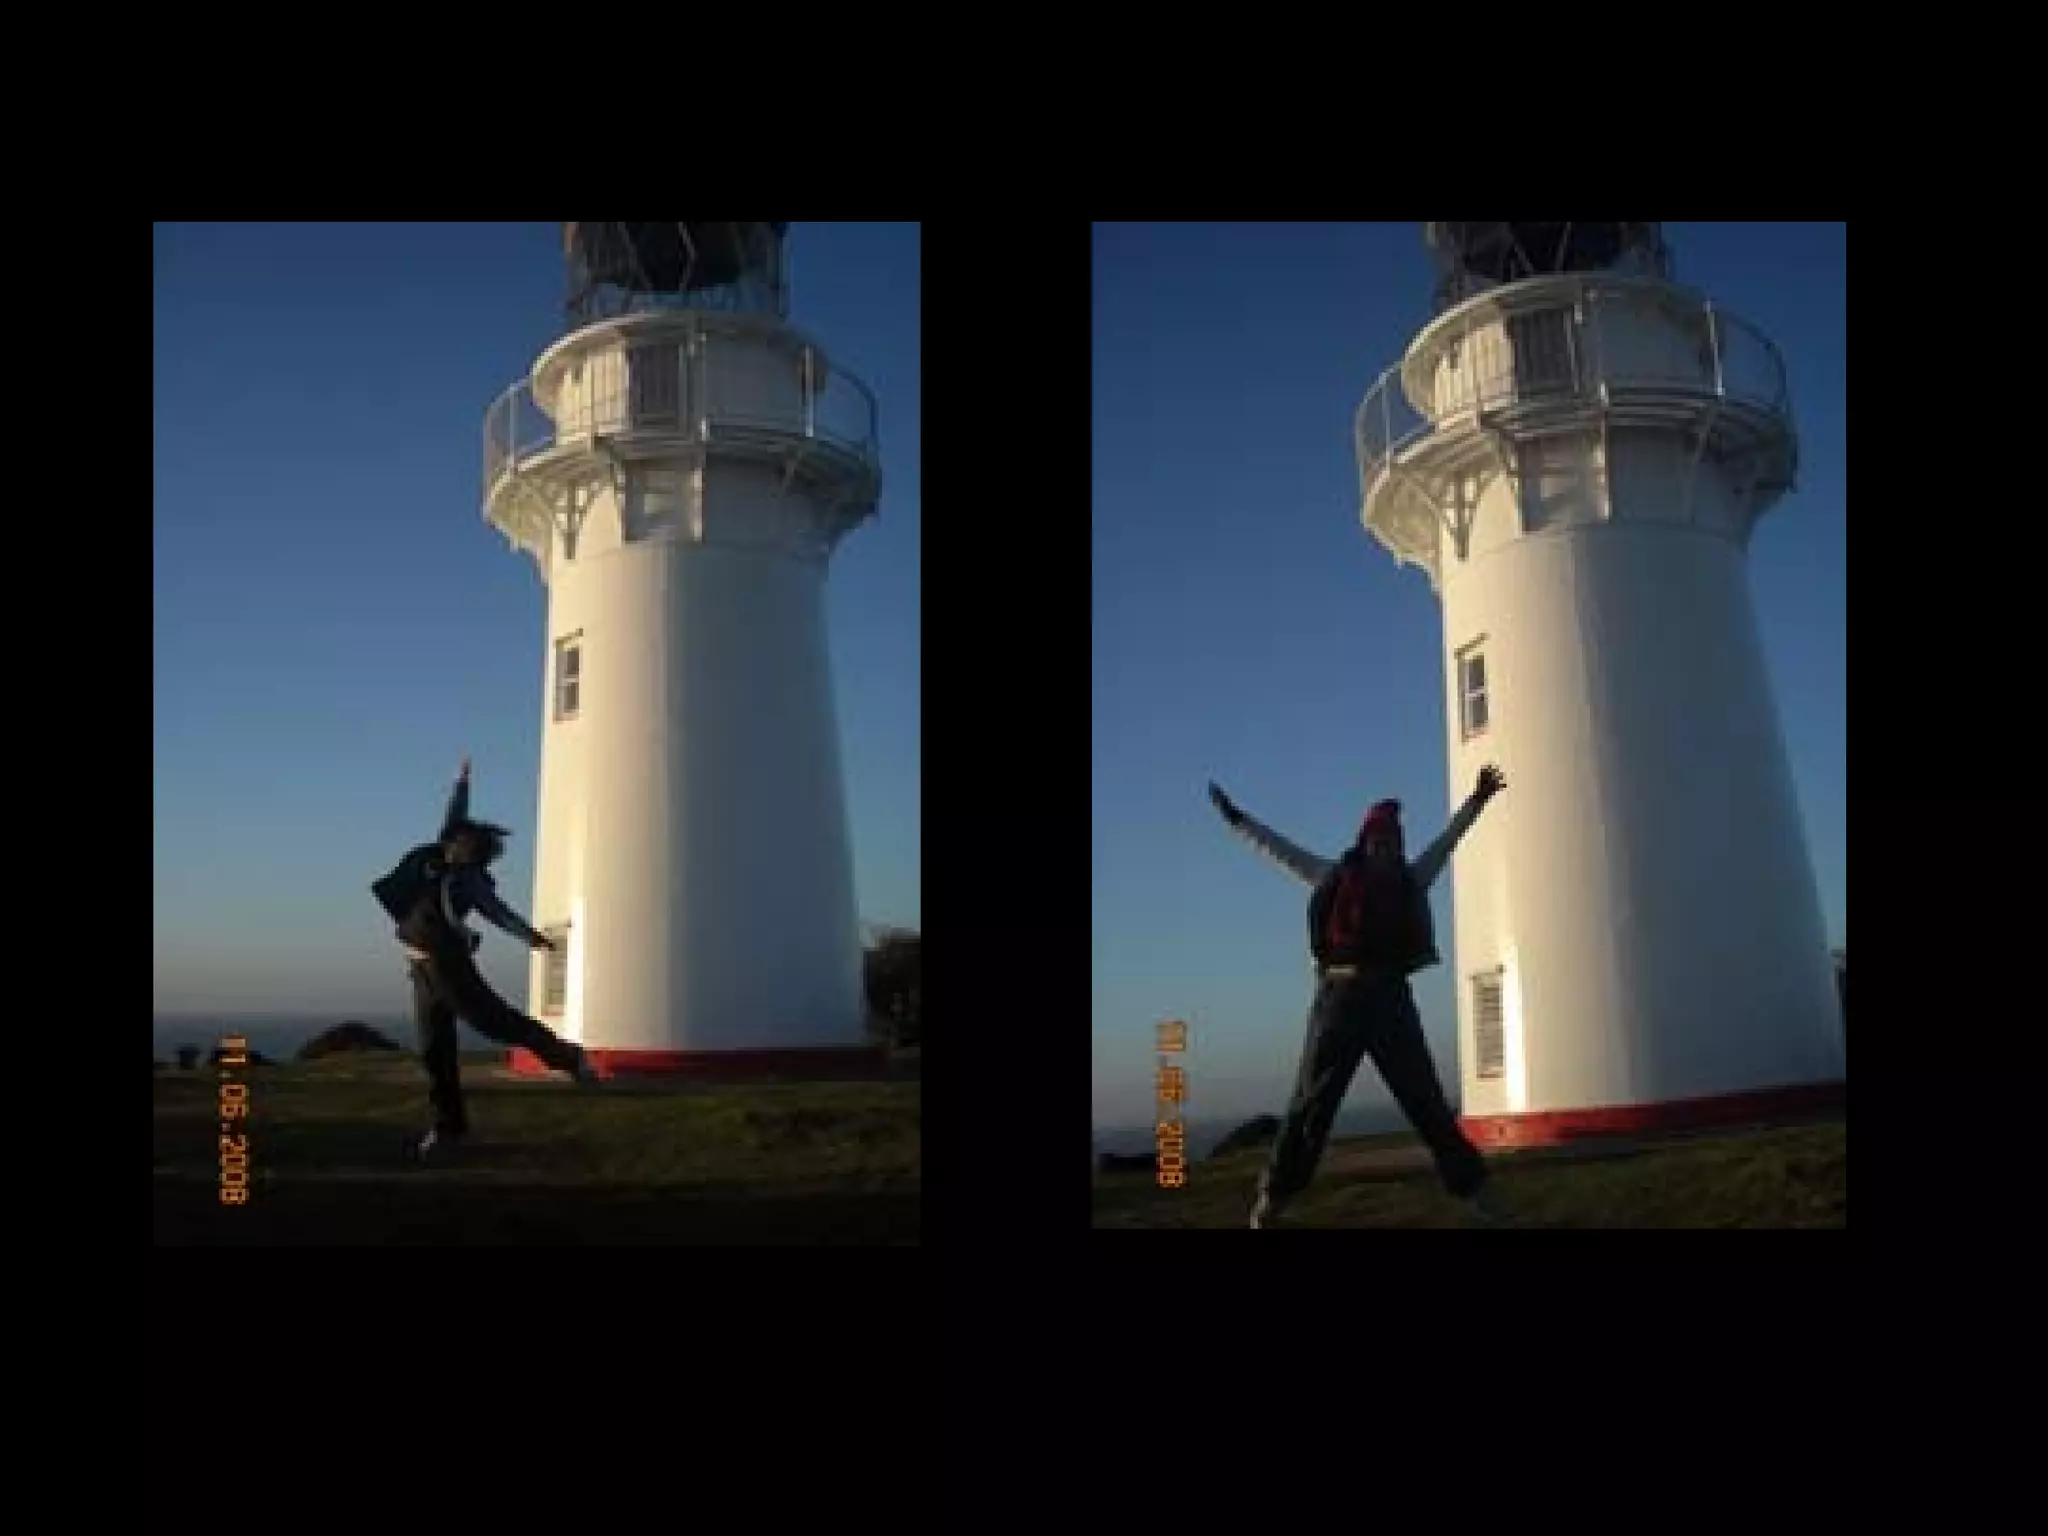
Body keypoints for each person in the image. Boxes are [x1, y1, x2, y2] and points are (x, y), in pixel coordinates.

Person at [1207, 765, 1508, 1228]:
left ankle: (1477, 1191)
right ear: (1365, 843)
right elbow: (1282, 853)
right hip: (1339, 1002)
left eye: (1393, 843)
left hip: (1391, 1001)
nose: (1386, 849)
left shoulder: (1412, 879)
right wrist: (1238, 821)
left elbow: (1447, 844)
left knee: (1425, 1098)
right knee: (1311, 1103)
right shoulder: (1333, 876)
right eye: (1379, 842)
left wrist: (1478, 801)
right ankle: (1273, 1198)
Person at [388, 758, 600, 1161]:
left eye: (459, 844)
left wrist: (532, 938)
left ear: (470, 853)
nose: (451, 844)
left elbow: (498, 914)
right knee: (435, 1050)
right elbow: (454, 817)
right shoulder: (440, 858)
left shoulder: (469, 879)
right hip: (420, 968)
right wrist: (461, 782)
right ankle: (448, 1129)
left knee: (496, 1023)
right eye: (453, 841)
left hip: (447, 966)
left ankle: (568, 1056)